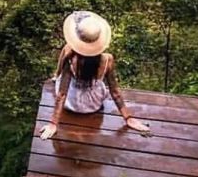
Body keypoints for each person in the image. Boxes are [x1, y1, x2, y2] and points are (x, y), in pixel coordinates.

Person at [39, 10, 151, 140]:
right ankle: (57, 74)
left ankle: (56, 75)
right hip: (93, 105)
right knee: (98, 84)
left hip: (71, 104)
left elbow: (62, 95)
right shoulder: (108, 60)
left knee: (66, 49)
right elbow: (115, 92)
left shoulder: (71, 57)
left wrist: (53, 124)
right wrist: (128, 117)